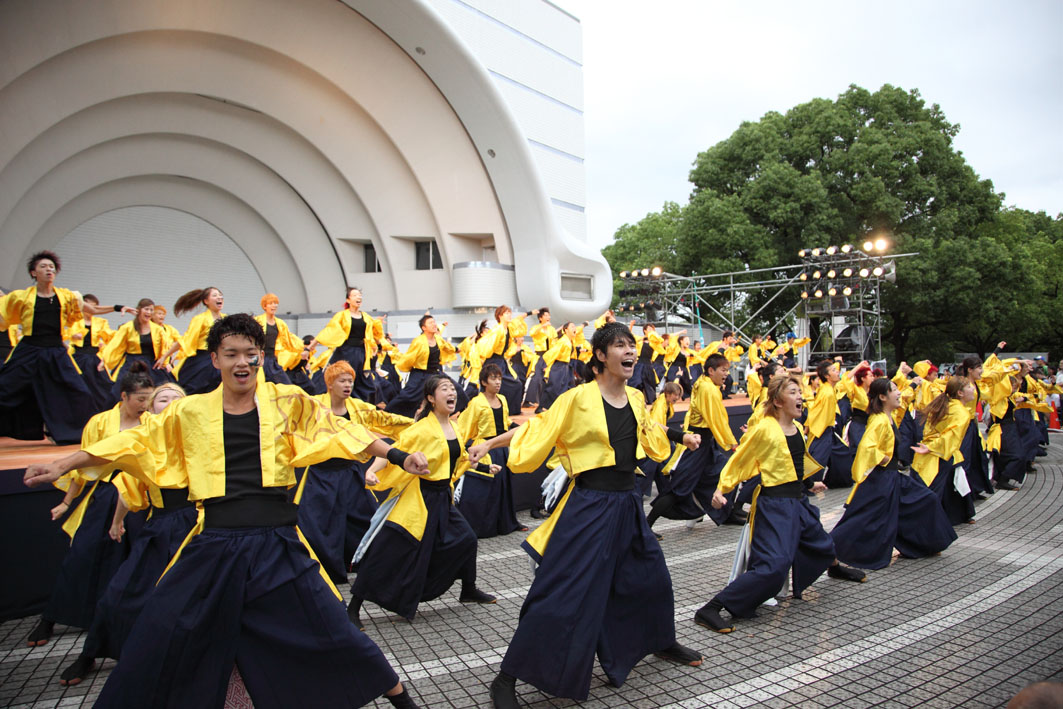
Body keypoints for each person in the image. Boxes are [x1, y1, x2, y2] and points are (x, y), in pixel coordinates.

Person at [23, 313, 426, 709]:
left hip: (277, 542)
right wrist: (64, 463)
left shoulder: (287, 400)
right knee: (161, 629)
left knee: (333, 628)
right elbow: (132, 442)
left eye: (250, 353)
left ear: (260, 358)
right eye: (230, 353)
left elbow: (341, 431)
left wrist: (398, 455)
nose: (241, 362)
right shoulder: (189, 411)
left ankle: (400, 698)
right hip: (213, 542)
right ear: (214, 358)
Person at [470, 322, 703, 707]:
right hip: (590, 505)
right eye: (620, 346)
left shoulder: (635, 397)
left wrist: (682, 437)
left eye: (632, 345)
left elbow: (648, 427)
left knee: (652, 578)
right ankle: (506, 677)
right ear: (600, 356)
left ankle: (661, 641)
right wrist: (490, 442)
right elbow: (539, 426)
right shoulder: (577, 398)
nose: (630, 352)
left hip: (628, 503)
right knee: (562, 591)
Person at [694, 376, 865, 634]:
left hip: (797, 501)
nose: (801, 397)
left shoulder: (797, 428)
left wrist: (808, 485)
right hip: (774, 506)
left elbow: (793, 463)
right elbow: (740, 459)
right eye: (794, 392)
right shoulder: (765, 428)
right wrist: (722, 488)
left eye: (801, 392)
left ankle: (834, 568)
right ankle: (711, 608)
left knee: (823, 543)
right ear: (777, 401)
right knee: (773, 566)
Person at [57, 382, 194, 686]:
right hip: (161, 526)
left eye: (177, 398)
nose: (170, 402)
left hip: (201, 528)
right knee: (120, 593)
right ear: (150, 408)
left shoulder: (201, 438)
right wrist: (117, 521)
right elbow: (130, 487)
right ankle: (89, 653)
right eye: (162, 398)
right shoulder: (144, 443)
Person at [24, 361, 155, 649]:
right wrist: (66, 502)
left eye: (150, 398)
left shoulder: (152, 423)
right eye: (140, 399)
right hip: (105, 493)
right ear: (124, 396)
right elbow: (83, 464)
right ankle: (50, 617)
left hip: (136, 497)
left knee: (131, 564)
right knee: (80, 557)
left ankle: (114, 627)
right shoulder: (99, 422)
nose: (146, 404)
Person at [349, 375, 498, 629]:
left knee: (467, 539)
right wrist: (372, 470)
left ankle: (468, 589)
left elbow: (460, 458)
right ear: (431, 398)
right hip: (419, 498)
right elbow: (396, 451)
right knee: (389, 551)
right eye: (444, 389)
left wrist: (483, 466)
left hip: (442, 498)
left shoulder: (455, 428)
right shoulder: (420, 429)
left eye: (452, 388)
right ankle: (353, 608)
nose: (451, 392)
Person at [296, 361, 413, 584]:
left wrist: (419, 422)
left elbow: (387, 419)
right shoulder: (314, 407)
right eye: (342, 381)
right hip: (321, 475)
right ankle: (324, 572)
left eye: (350, 381)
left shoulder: (358, 407)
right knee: (318, 525)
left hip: (350, 473)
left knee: (365, 519)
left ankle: (366, 563)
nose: (348, 385)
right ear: (330, 383)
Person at [0, 251, 134, 443]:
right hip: (30, 347)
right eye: (43, 267)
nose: (49, 270)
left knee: (79, 391)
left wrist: (118, 307)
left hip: (55, 350)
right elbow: (2, 313)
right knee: (5, 386)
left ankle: (79, 433)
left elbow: (93, 309)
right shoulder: (21, 297)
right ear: (33, 273)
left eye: (51, 267)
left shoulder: (67, 296)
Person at [829, 378, 957, 571]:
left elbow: (907, 398)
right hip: (882, 479)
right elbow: (866, 446)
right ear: (882, 396)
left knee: (925, 500)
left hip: (893, 477)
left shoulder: (889, 416)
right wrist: (885, 459)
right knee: (863, 519)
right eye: (894, 390)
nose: (899, 393)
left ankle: (923, 545)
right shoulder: (879, 420)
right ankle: (827, 549)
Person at [646, 353, 743, 531]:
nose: (726, 374)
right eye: (723, 370)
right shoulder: (708, 388)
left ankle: (729, 511)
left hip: (703, 442)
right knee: (679, 488)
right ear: (711, 370)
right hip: (696, 444)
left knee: (726, 471)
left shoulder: (703, 382)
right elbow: (717, 419)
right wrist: (731, 443)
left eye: (727, 371)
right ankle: (646, 524)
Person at [454, 364, 525, 538]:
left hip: (502, 448)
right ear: (484, 382)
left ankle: (507, 523)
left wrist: (520, 428)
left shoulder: (502, 399)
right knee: (486, 490)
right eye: (493, 378)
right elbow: (464, 426)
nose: (498, 382)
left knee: (504, 487)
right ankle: (482, 527)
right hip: (485, 449)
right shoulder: (476, 403)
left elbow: (505, 422)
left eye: (499, 378)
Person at [911, 377, 977, 525]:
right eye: (969, 387)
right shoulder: (960, 412)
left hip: (936, 452)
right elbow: (950, 435)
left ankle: (958, 515)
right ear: (959, 393)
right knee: (930, 495)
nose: (973, 389)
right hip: (938, 454)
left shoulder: (945, 403)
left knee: (950, 483)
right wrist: (932, 447)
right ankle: (923, 530)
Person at [309, 286, 384, 402]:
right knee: (340, 377)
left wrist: (378, 346)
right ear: (348, 300)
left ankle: (359, 409)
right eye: (354, 295)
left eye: (359, 295)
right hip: (345, 351)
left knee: (363, 382)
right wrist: (309, 348)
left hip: (361, 353)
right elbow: (327, 331)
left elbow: (374, 335)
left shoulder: (367, 317)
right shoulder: (342, 315)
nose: (358, 297)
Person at [387, 313, 465, 417]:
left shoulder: (438, 339)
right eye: (430, 323)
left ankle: (454, 416)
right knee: (407, 396)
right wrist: (403, 365)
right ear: (424, 328)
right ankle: (387, 415)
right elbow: (408, 357)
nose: (434, 324)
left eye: (434, 322)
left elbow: (447, 346)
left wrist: (457, 349)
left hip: (436, 374)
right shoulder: (418, 341)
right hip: (420, 374)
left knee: (458, 390)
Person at [100, 298, 175, 401]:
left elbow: (164, 347)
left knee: (163, 391)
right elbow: (116, 345)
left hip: (151, 364)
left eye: (151, 310)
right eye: (146, 309)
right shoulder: (127, 327)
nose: (149, 312)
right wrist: (105, 361)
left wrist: (166, 362)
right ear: (139, 310)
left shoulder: (157, 329)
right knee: (118, 392)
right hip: (132, 363)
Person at [159, 286, 226, 394]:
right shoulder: (200, 319)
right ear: (206, 301)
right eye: (215, 295)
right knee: (193, 389)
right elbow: (185, 339)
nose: (219, 297)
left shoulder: (226, 319)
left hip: (221, 359)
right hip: (203, 359)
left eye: (220, 295)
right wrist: (165, 356)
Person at [474, 305, 531, 415]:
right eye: (506, 313)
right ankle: (492, 410)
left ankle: (509, 410)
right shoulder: (497, 330)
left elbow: (520, 331)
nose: (510, 315)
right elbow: (489, 348)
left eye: (510, 312)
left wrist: (525, 316)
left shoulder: (508, 329)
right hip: (493, 362)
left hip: (501, 361)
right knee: (495, 386)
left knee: (516, 384)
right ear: (500, 316)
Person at [68, 293, 117, 411]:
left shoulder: (100, 322)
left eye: (94, 306)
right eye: (88, 305)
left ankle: (101, 411)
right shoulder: (75, 319)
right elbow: (66, 333)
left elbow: (110, 336)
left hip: (94, 357)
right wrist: (73, 335)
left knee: (102, 385)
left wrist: (121, 333)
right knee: (76, 385)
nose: (90, 309)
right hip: (78, 356)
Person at [254, 293, 305, 385]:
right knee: (258, 385)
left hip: (272, 359)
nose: (274, 305)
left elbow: (289, 339)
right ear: (265, 306)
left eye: (275, 303)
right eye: (270, 303)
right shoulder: (258, 321)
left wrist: (304, 346)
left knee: (286, 385)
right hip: (259, 358)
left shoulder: (280, 323)